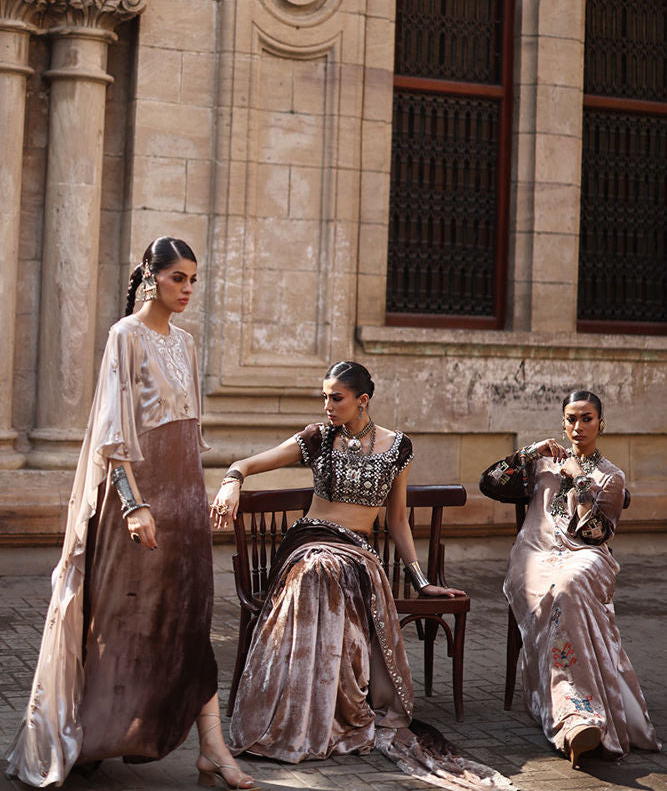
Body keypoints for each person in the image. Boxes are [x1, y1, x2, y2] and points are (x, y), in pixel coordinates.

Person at [6, 237, 256, 791]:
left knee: (190, 620)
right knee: (117, 622)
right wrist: (134, 504)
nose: (187, 289)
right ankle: (93, 731)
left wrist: (200, 495)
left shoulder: (186, 343)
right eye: (177, 278)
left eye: (193, 280)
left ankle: (212, 748)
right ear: (151, 276)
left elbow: (188, 433)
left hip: (184, 501)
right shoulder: (125, 335)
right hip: (137, 505)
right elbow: (111, 431)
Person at [212, 361, 516, 791]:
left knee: (329, 570)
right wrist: (231, 481)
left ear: (362, 400)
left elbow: (397, 520)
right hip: (309, 544)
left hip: (356, 553)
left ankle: (328, 709)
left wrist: (420, 580)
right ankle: (296, 713)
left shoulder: (397, 447)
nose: (327, 405)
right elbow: (246, 463)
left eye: (336, 398)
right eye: (324, 397)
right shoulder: (317, 438)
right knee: (317, 568)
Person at [479, 390, 660, 768]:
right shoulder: (543, 465)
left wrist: (580, 481)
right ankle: (576, 715)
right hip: (534, 555)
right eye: (571, 419)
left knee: (569, 585)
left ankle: (578, 714)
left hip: (586, 555)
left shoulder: (611, 476)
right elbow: (489, 484)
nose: (578, 426)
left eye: (586, 418)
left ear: (600, 423)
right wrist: (529, 452)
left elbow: (596, 534)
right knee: (561, 587)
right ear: (563, 423)